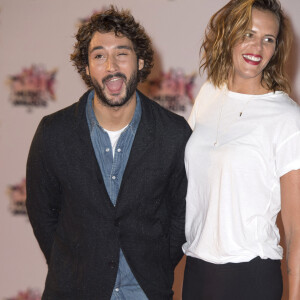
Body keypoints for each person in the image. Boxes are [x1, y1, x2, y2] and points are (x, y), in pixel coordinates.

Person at [26, 6, 191, 300]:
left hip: (146, 291)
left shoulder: (174, 133)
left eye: (122, 53)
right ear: (87, 68)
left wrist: (155, 265)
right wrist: (70, 266)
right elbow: (42, 212)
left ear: (140, 61)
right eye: (99, 55)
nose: (111, 65)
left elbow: (183, 214)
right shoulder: (53, 132)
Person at [182, 0, 300, 299]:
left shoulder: (286, 116)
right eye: (248, 33)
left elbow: (296, 227)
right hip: (196, 269)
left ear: (276, 49)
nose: (257, 47)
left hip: (251, 275)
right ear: (228, 35)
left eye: (268, 39)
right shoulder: (208, 94)